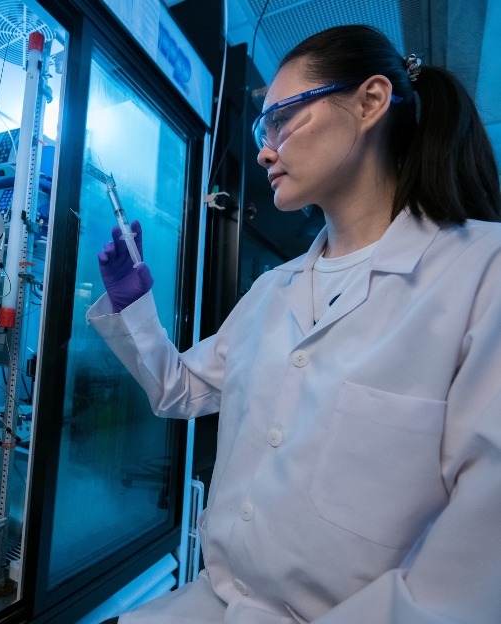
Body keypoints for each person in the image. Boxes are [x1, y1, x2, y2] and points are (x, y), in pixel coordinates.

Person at [89, 24, 501, 624]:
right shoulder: (270, 291)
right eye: (263, 128)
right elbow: (180, 389)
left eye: (282, 118)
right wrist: (133, 305)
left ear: (370, 102)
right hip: (214, 605)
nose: (265, 149)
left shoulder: (480, 270)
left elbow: (472, 567)